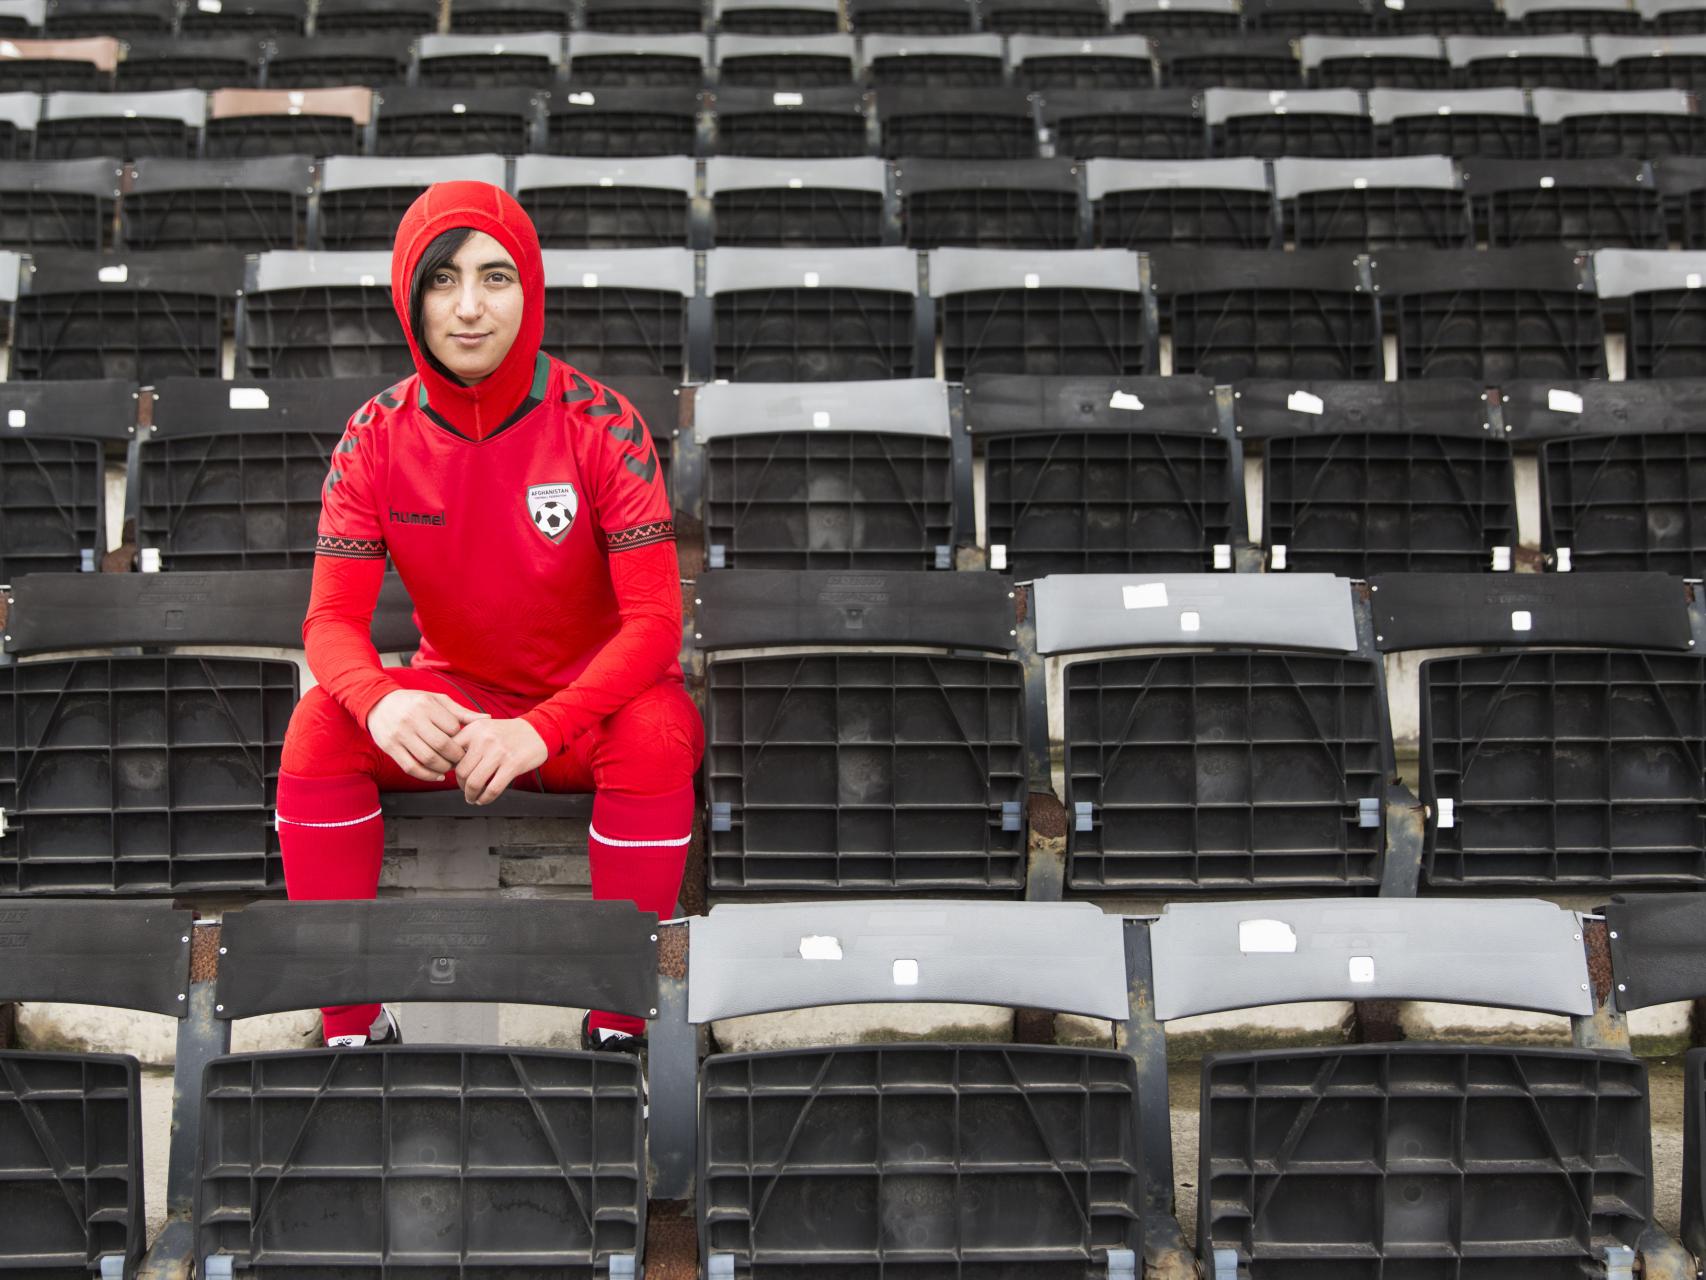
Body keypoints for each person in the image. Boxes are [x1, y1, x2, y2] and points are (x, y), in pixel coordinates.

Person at [275, 180, 702, 1050]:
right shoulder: (374, 436)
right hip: (462, 704)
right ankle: (352, 1025)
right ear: (410, 296)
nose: (469, 308)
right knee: (320, 725)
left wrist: (542, 729)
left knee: (661, 731)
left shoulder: (604, 425)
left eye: (496, 277)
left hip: (591, 711)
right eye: (442, 280)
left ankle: (623, 1021)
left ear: (531, 287)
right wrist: (386, 701)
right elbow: (329, 622)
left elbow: (656, 623)